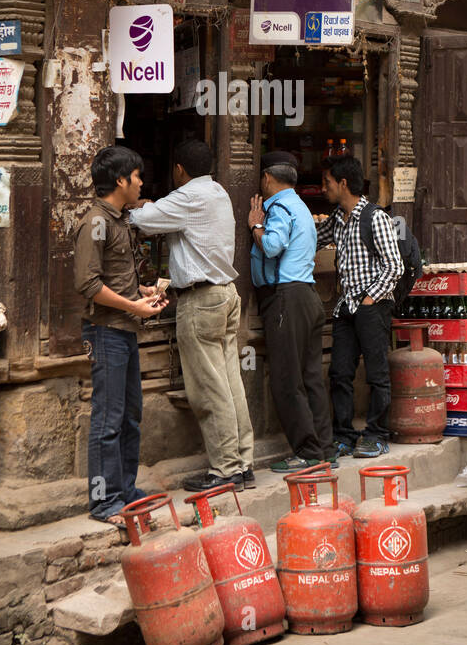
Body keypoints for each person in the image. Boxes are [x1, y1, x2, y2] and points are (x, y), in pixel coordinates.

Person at [129, 138, 254, 492]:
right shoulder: (217, 192)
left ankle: (225, 469)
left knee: (209, 388)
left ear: (179, 169)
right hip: (226, 295)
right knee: (231, 384)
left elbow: (142, 221)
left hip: (202, 301)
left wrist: (140, 204)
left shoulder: (188, 196)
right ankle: (242, 461)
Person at [74, 145, 168, 526]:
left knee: (130, 415)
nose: (141, 183)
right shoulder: (95, 222)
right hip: (106, 331)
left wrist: (142, 294)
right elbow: (88, 284)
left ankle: (124, 490)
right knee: (108, 418)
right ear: (120, 180)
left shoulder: (118, 220)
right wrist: (134, 307)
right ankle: (103, 500)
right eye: (137, 176)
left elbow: (112, 279)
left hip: (124, 330)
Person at [249, 149, 337, 472]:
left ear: (267, 179)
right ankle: (324, 448)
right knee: (311, 377)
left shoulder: (281, 207)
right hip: (308, 297)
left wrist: (256, 226)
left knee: (287, 380)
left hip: (288, 298)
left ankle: (307, 451)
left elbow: (272, 246)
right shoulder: (301, 206)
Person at [316, 154, 403, 459]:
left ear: (343, 183)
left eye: (327, 182)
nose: (323, 188)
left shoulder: (374, 217)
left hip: (372, 306)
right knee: (340, 373)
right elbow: (310, 239)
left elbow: (394, 266)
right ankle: (344, 434)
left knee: (377, 374)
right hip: (345, 309)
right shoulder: (336, 220)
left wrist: (369, 299)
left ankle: (377, 434)